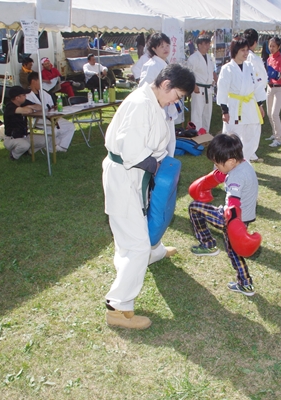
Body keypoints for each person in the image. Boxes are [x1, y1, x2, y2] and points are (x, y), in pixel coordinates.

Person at [102, 64, 195, 330]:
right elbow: (132, 150)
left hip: (135, 175)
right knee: (135, 240)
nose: (175, 102)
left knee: (141, 222)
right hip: (124, 175)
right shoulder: (141, 104)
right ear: (166, 85)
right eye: (176, 95)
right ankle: (117, 307)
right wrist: (160, 172)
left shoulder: (153, 102)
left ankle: (152, 252)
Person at [188, 133, 260, 296]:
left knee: (194, 207)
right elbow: (226, 177)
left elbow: (233, 201)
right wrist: (214, 178)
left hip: (233, 219)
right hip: (243, 217)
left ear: (231, 162)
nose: (215, 167)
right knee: (233, 251)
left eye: (217, 164)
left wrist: (233, 224)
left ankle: (207, 244)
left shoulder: (236, 176)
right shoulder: (244, 165)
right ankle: (245, 283)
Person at [217, 38, 266, 164]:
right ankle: (225, 164)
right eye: (242, 50)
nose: (246, 53)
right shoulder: (227, 68)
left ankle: (244, 160)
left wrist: (260, 105)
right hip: (234, 105)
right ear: (235, 51)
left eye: (247, 50)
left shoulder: (250, 66)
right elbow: (222, 90)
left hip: (250, 105)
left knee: (252, 134)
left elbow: (256, 87)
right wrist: (224, 110)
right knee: (232, 136)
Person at [139, 33, 181, 157]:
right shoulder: (150, 65)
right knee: (159, 142)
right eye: (161, 46)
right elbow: (143, 89)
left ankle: (169, 167)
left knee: (170, 140)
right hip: (157, 109)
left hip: (168, 107)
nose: (166, 48)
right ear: (153, 48)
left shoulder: (165, 63)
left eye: (167, 45)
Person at [25, 72, 75, 153]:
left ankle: (61, 146)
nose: (41, 83)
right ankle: (50, 148)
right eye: (39, 81)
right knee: (54, 130)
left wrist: (53, 108)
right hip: (39, 119)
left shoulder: (45, 93)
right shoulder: (27, 96)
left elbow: (51, 105)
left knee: (70, 126)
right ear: (33, 81)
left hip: (52, 117)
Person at [3, 86, 48, 160]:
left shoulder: (24, 103)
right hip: (12, 138)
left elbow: (39, 106)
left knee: (44, 139)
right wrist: (29, 108)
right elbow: (27, 111)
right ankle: (14, 155)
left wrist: (29, 106)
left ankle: (28, 152)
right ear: (17, 98)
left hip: (24, 136)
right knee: (24, 145)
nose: (25, 96)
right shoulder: (9, 107)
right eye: (23, 95)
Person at [243, 28, 268, 163]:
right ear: (255, 42)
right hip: (251, 97)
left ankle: (250, 153)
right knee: (252, 128)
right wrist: (260, 103)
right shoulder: (251, 58)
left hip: (252, 96)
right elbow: (257, 81)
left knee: (252, 127)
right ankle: (247, 155)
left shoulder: (249, 57)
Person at [186, 35, 217, 133]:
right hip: (198, 89)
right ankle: (196, 134)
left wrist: (214, 78)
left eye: (208, 44)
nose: (207, 46)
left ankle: (205, 134)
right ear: (199, 45)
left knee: (207, 114)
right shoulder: (193, 58)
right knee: (197, 114)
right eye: (205, 44)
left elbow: (211, 71)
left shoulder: (209, 57)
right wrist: (193, 85)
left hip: (208, 88)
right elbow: (188, 73)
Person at [265, 36, 281, 148]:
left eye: (274, 46)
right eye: (270, 46)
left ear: (278, 47)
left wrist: (270, 76)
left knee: (274, 113)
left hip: (279, 88)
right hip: (270, 88)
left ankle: (278, 139)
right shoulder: (269, 59)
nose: (271, 48)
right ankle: (274, 134)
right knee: (269, 113)